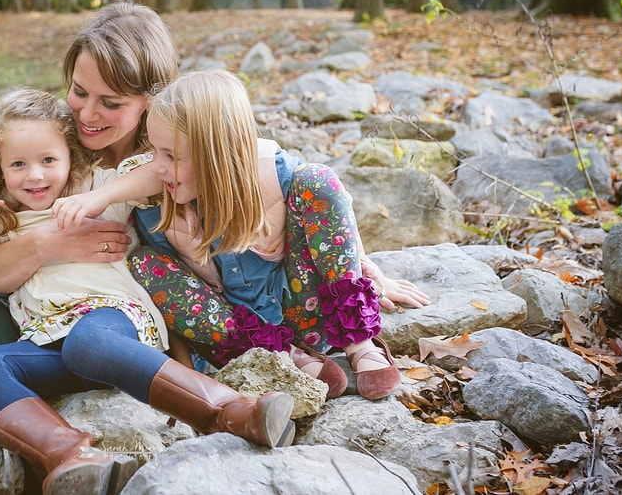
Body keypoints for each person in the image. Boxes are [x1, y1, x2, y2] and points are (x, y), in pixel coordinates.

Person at [0, 1, 427, 402]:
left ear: (154, 100)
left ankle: (343, 348)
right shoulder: (55, 151)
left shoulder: (183, 152)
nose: (85, 113)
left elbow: (289, 191)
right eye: (78, 90)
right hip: (52, 301)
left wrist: (362, 266)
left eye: (111, 102)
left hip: (141, 315)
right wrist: (45, 243)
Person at [0, 88, 294, 495]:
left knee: (87, 342)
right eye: (19, 164)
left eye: (49, 160)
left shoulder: (91, 189)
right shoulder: (0, 222)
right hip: (52, 341)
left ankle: (229, 411)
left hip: (113, 325)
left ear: (71, 157)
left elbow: (151, 175)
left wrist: (99, 195)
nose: (35, 175)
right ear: (0, 169)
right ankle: (69, 456)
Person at [54, 70, 405, 400]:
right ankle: (286, 358)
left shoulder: (271, 175)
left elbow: (330, 210)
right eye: (154, 152)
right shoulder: (160, 202)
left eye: (170, 156)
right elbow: (147, 181)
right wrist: (100, 196)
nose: (157, 166)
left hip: (308, 310)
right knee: (146, 263)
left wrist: (360, 265)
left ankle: (360, 342)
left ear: (216, 157)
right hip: (244, 335)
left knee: (317, 180)